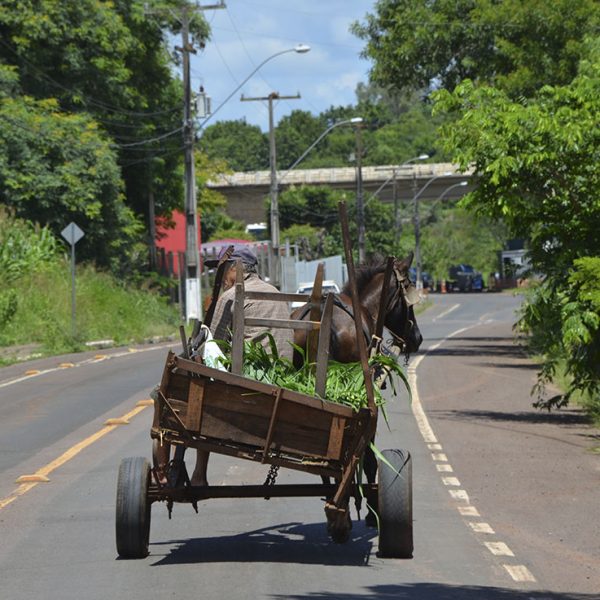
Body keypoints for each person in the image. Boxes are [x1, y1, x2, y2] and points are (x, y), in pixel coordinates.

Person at [190, 245, 293, 485]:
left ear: (235, 269)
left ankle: (199, 474)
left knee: (200, 385)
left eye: (223, 270)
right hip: (285, 383)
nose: (222, 277)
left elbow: (213, 345)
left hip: (247, 386)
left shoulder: (230, 297)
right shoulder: (275, 292)